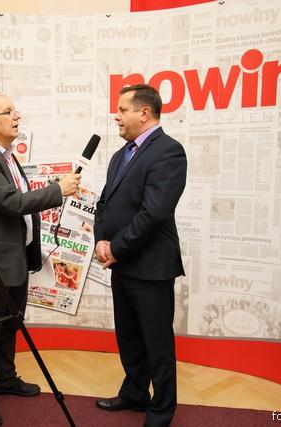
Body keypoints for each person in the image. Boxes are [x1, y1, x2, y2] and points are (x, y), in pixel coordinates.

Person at [0, 92, 81, 427]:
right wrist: (58, 190)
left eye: (16, 110)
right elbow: (11, 203)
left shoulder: (6, 155)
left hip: (14, 258)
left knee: (11, 322)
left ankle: (6, 378)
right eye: (8, 111)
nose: (17, 116)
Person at [93, 84, 187, 427]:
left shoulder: (169, 151)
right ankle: (134, 393)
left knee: (156, 344)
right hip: (121, 265)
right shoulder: (121, 155)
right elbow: (104, 203)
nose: (116, 116)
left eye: (123, 109)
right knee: (129, 337)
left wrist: (115, 249)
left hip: (150, 267)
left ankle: (161, 410)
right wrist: (101, 240)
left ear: (144, 113)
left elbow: (154, 213)